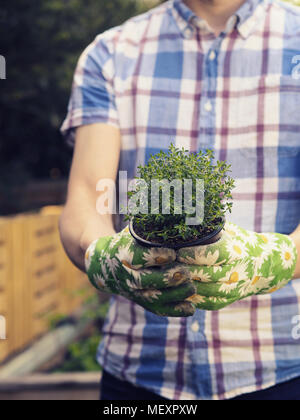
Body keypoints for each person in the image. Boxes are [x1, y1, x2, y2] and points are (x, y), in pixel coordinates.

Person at [60, 0, 300, 400]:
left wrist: (275, 260)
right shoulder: (110, 53)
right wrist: (102, 255)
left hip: (280, 370)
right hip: (140, 374)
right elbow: (87, 196)